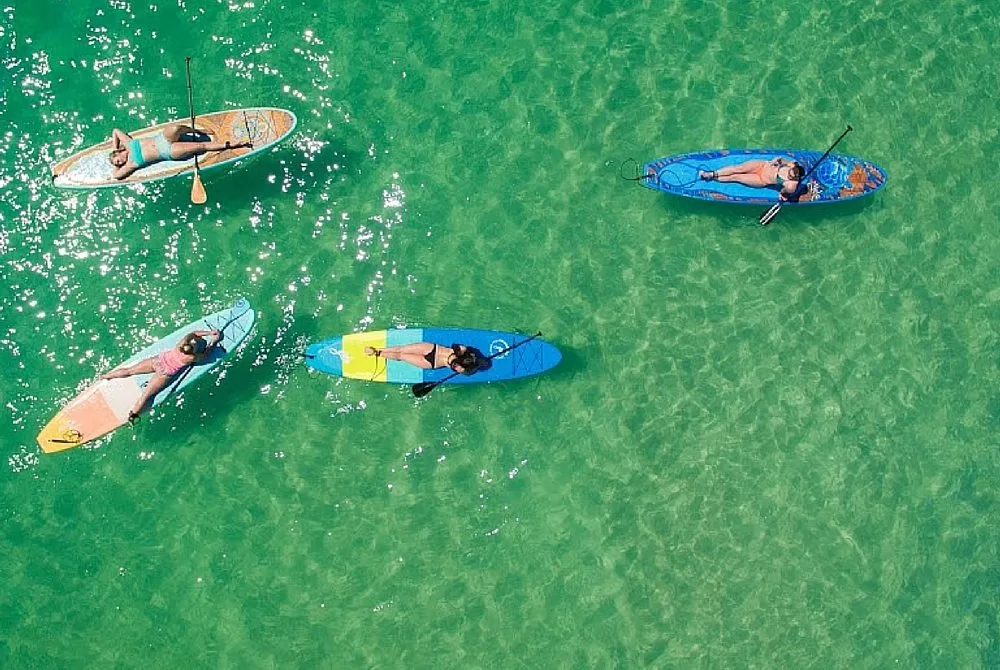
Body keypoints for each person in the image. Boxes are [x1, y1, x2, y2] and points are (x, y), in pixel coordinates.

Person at [100, 329, 222, 422]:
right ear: (192, 351)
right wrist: (214, 341)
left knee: (129, 370)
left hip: (157, 361)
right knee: (146, 396)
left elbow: (194, 333)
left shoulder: (182, 343)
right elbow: (206, 354)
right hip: (164, 374)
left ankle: (106, 376)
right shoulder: (190, 357)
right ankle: (132, 416)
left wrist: (208, 332)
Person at [107, 124, 251, 180]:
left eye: (118, 159)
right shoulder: (130, 164)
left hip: (162, 139)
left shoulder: (128, 143)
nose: (120, 162)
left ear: (119, 152)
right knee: (201, 146)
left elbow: (115, 131)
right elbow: (116, 176)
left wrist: (114, 147)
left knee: (175, 128)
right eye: (118, 163)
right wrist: (116, 166)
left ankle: (197, 130)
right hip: (168, 151)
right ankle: (233, 144)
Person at [699, 157, 805, 200]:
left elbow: (784, 191)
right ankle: (712, 174)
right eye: (792, 171)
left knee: (736, 177)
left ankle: (712, 178)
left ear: (797, 178)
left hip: (761, 179)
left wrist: (783, 194)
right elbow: (780, 159)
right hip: (762, 165)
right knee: (739, 168)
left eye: (794, 175)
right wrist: (773, 162)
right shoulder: (792, 165)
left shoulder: (791, 185)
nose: (791, 174)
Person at [364, 342, 486, 375]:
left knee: (402, 356)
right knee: (402, 350)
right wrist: (461, 350)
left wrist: (470, 367)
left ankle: (377, 353)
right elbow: (457, 346)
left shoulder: (463, 367)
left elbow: (462, 371)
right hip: (433, 349)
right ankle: (378, 351)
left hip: (431, 362)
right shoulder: (465, 351)